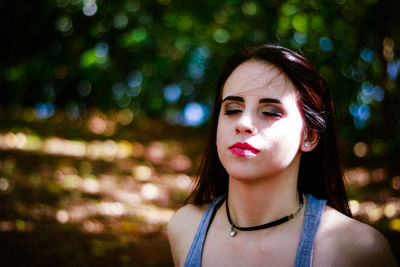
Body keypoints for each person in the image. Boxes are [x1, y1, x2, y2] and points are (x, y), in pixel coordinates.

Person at [167, 44, 398, 267]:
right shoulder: (185, 228)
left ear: (309, 136)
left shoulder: (357, 249)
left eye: (270, 112)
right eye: (232, 109)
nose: (243, 123)